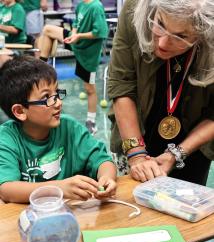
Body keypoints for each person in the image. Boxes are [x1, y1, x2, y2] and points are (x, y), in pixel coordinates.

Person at [107, 0, 214, 185]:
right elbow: (121, 85)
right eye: (160, 24)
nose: (163, 43)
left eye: (180, 35)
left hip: (194, 144)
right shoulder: (135, 9)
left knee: (186, 206)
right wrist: (136, 156)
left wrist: (177, 153)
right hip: (134, 132)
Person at [0, 55, 117, 203]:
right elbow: (7, 189)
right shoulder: (7, 138)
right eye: (47, 97)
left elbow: (102, 160)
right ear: (20, 111)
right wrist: (59, 188)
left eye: (57, 93)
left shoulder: (69, 127)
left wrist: (106, 178)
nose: (58, 103)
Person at [38, 0, 108, 135]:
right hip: (76, 41)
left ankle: (91, 122)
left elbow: (100, 32)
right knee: (48, 29)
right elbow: (76, 23)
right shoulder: (81, 5)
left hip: (89, 52)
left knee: (89, 89)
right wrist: (74, 34)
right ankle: (41, 67)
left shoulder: (96, 6)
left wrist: (78, 36)